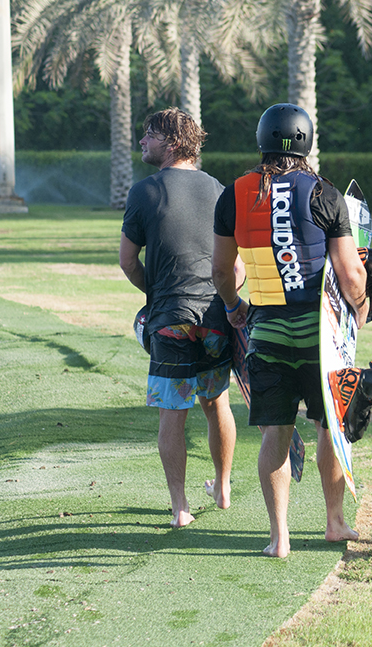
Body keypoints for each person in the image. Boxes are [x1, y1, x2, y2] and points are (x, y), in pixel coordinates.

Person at [211, 103, 370, 558]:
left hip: (267, 334)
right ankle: (334, 522)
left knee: (275, 433)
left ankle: (278, 536)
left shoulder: (234, 195)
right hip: (321, 339)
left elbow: (221, 271)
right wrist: (359, 309)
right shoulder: (324, 193)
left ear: (262, 140)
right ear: (307, 142)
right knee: (328, 426)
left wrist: (234, 306)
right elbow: (350, 274)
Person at [119, 107, 239, 528]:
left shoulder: (144, 191)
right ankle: (223, 488)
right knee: (216, 402)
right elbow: (235, 265)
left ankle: (180, 507)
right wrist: (229, 300)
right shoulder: (220, 189)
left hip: (170, 319)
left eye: (149, 134)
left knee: (172, 411)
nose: (142, 141)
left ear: (171, 142)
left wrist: (154, 295)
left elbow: (128, 261)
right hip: (214, 317)